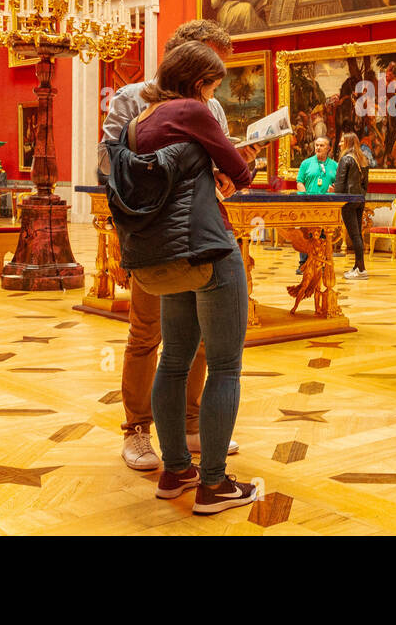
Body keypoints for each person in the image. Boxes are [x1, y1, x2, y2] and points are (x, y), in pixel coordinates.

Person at [111, 41, 260, 511]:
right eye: (214, 85)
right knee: (225, 366)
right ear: (199, 83)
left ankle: (175, 471)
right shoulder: (193, 111)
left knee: (173, 362)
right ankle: (214, 485)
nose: (213, 94)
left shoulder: (139, 122)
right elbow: (241, 172)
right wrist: (244, 158)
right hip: (206, 252)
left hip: (158, 259)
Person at [295, 136, 336, 274]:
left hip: (326, 206)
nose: (318, 147)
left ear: (328, 148)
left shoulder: (334, 165)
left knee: (323, 235)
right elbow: (299, 182)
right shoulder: (306, 163)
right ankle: (303, 263)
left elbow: (338, 184)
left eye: (322, 145)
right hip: (307, 204)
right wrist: (304, 195)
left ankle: (321, 262)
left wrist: (334, 189)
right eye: (317, 145)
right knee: (306, 234)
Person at [333, 132, 369, 280]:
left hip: (348, 200)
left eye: (342, 141)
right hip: (359, 199)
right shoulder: (363, 159)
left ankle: (361, 269)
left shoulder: (346, 159)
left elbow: (340, 183)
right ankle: (357, 266)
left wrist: (336, 198)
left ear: (348, 143)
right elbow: (365, 184)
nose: (340, 144)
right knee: (358, 234)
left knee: (354, 235)